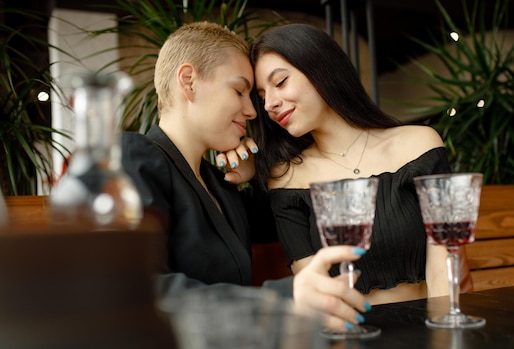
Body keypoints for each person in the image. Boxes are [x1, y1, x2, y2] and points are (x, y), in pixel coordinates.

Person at [121, 21, 370, 331]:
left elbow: (285, 219)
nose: (254, 111)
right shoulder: (132, 156)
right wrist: (284, 299)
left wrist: (255, 174)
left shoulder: (221, 184)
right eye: (239, 90)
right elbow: (138, 290)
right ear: (188, 82)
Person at [249, 23, 450, 305]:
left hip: (425, 330)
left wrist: (445, 337)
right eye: (261, 97)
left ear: (322, 68)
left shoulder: (419, 145)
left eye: (280, 82)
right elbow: (315, 290)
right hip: (348, 336)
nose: (270, 103)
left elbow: (442, 260)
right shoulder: (286, 178)